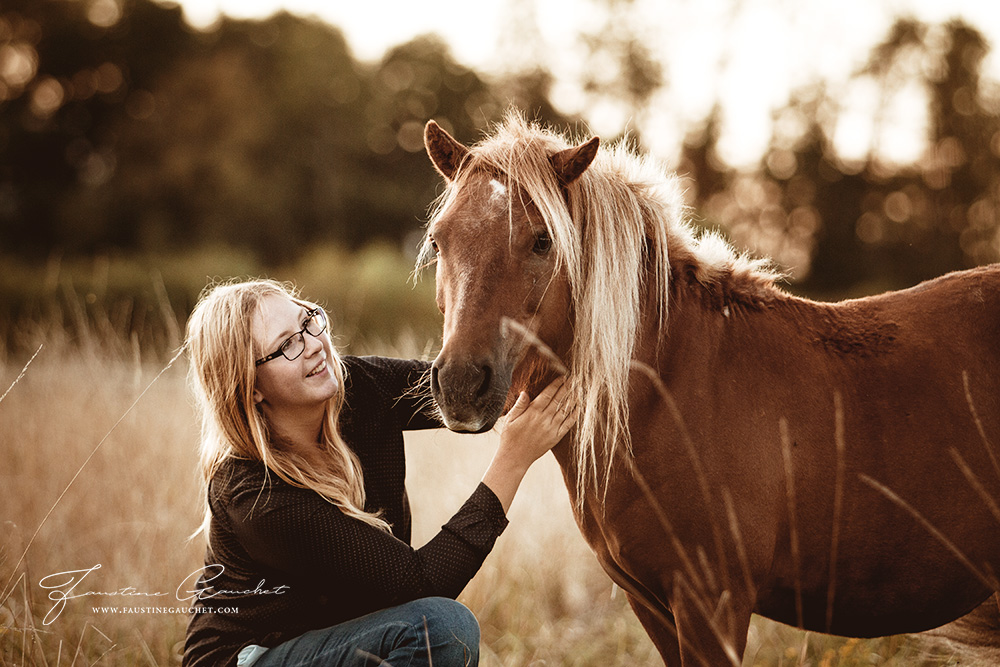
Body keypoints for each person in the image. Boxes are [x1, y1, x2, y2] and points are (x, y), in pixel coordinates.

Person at [182, 278, 575, 667]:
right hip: (252, 656)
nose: (314, 344)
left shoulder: (357, 389)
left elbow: (473, 387)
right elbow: (421, 584)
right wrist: (513, 459)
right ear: (251, 387)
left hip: (334, 637)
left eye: (308, 321)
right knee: (440, 628)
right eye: (287, 345)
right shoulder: (257, 497)